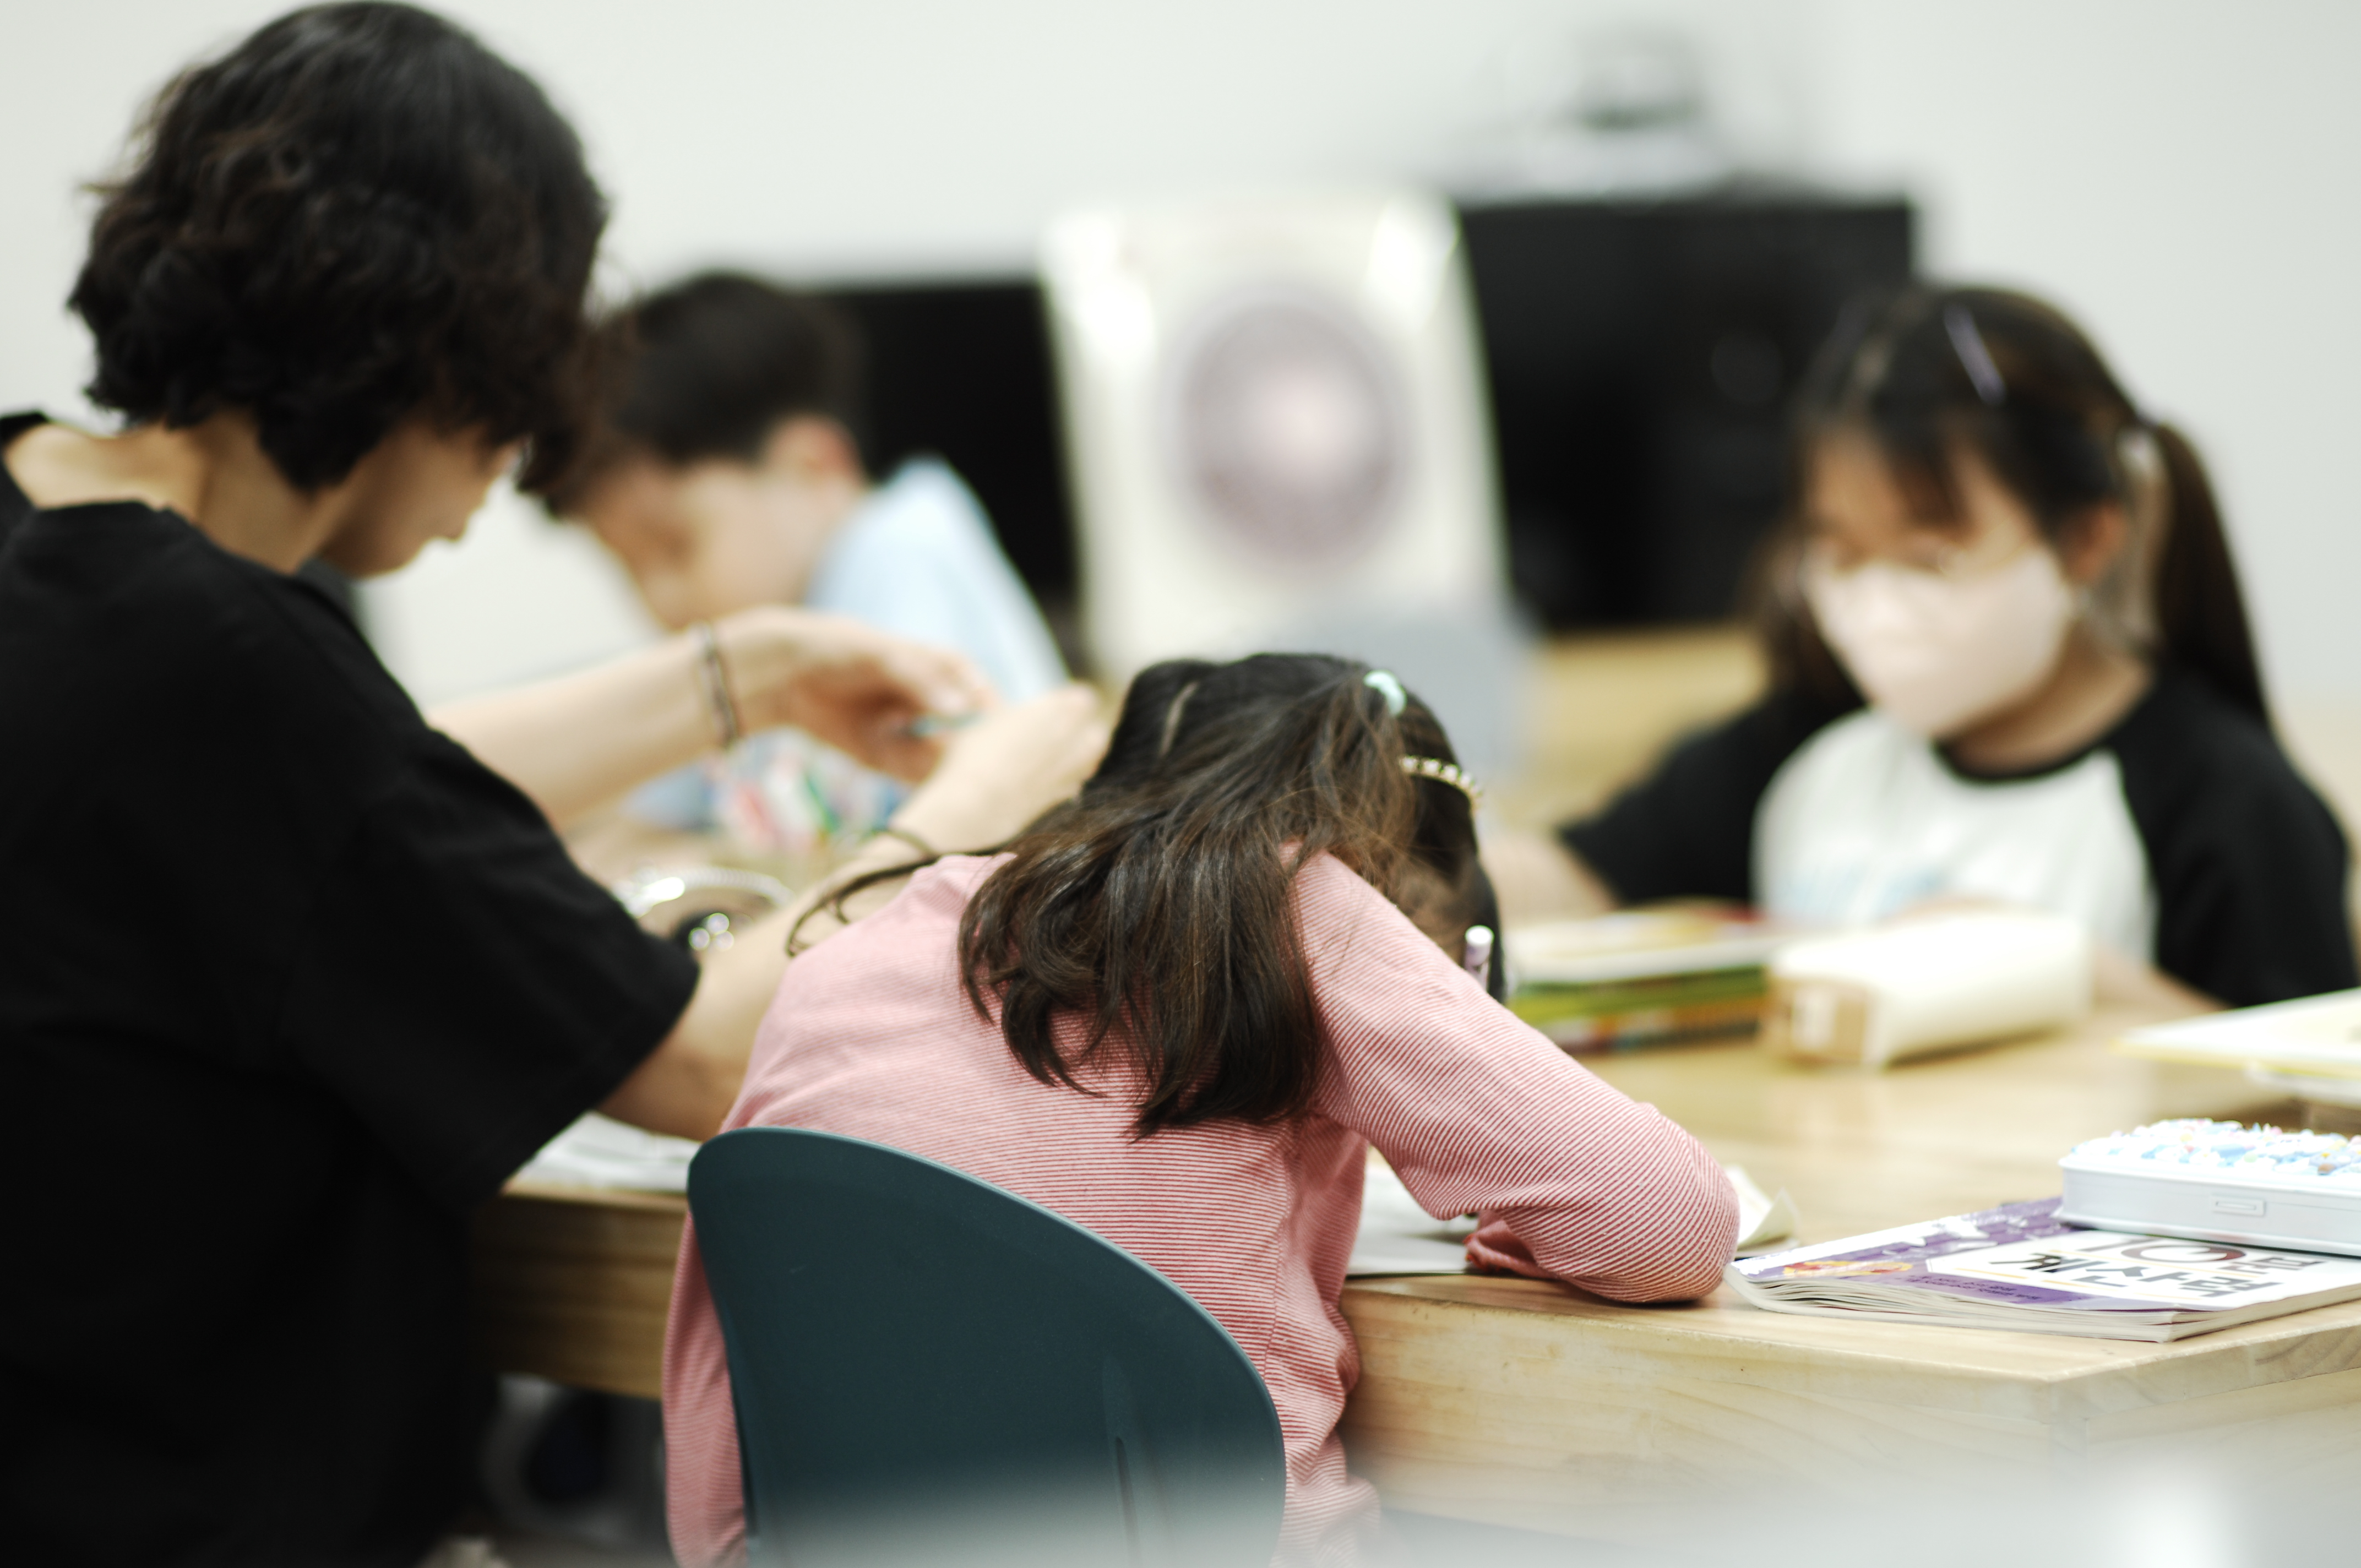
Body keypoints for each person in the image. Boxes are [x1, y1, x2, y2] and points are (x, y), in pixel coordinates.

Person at [0, 8, 1103, 1565]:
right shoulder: (229, 662)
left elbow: (351, 791)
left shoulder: (59, 543)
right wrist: (969, 811)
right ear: (436, 350)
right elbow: (698, 1060)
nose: (510, 462)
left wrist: (737, 678)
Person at [660, 655, 1739, 1566]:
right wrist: (1507, 1218)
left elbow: (716, 1508)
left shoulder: (837, 963)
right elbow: (1670, 1221)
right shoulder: (1295, 906)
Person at [1497, 285, 2354, 1010]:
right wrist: (1437, 868)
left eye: (1930, 558)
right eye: (1840, 554)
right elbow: (1582, 873)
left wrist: (2063, 976)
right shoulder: (1810, 748)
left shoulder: (2222, 798)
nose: (1877, 602)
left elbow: (2310, 1097)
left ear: (2086, 540)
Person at [552, 272, 1070, 852]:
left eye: (676, 547)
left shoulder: (895, 549)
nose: (661, 598)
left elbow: (930, 816)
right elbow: (658, 815)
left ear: (814, 466)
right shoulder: (753, 654)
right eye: (628, 567)